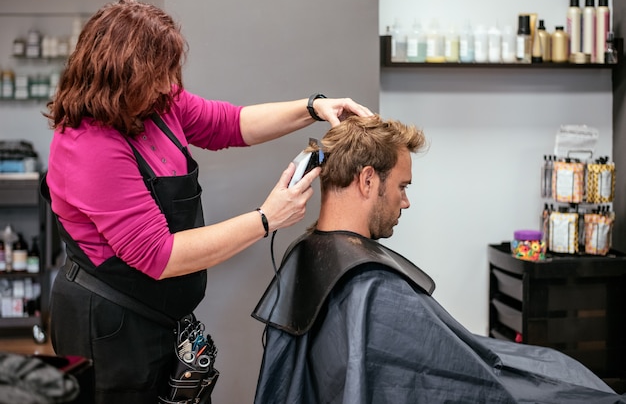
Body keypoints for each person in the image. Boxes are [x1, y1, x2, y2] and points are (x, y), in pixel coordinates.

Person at [41, 0, 373, 404]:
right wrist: (266, 219)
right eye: (157, 76)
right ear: (121, 76)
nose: (168, 85)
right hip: (110, 327)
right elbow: (159, 255)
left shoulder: (158, 103)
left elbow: (229, 124)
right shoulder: (89, 146)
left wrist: (314, 107)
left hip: (160, 315)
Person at [252, 115, 626, 403]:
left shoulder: (306, 254)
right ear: (367, 180)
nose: (406, 201)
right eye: (402, 187)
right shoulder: (366, 284)